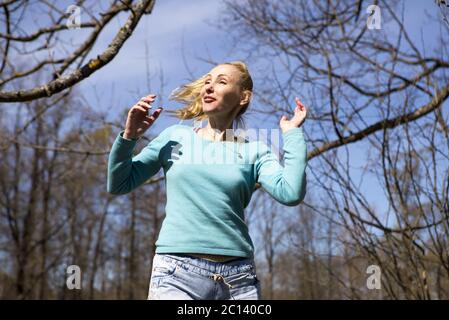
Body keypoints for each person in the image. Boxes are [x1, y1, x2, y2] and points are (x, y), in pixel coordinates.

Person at [107, 61, 308, 300]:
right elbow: (119, 183)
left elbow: (291, 193)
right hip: (176, 273)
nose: (209, 87)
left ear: (243, 97)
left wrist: (292, 133)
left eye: (221, 82)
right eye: (208, 82)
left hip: (238, 279)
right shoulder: (175, 137)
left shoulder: (255, 151)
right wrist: (129, 137)